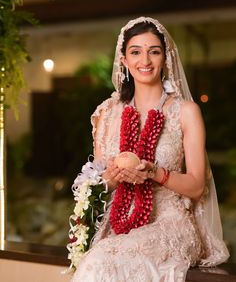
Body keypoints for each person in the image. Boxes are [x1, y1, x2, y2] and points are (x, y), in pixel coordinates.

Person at [70, 16, 229, 282]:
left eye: (154, 52)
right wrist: (113, 178)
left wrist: (153, 172)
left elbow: (197, 186)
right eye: (136, 52)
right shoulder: (107, 114)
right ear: (123, 60)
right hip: (118, 222)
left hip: (169, 222)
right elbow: (99, 182)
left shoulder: (185, 112)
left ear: (165, 59)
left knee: (102, 261)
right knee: (101, 259)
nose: (145, 61)